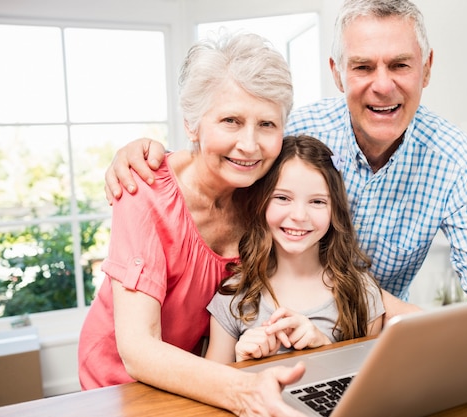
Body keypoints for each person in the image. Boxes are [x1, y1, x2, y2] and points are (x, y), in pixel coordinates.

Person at [103, 0, 467, 389]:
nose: (382, 84)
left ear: (426, 69)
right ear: (337, 71)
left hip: (349, 348)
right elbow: (220, 145)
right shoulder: (292, 140)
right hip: (179, 371)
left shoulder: (453, 160)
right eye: (363, 66)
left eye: (400, 65)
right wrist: (149, 153)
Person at [78, 32, 311, 417]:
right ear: (191, 124)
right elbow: (138, 350)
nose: (250, 144)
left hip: (202, 375)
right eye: (230, 121)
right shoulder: (144, 188)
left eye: (267, 124)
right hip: (117, 384)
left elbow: (329, 258)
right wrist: (242, 389)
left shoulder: (266, 191)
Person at [205, 135, 385, 364]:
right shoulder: (233, 296)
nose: (299, 216)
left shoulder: (361, 292)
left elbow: (369, 388)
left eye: (317, 202)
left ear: (335, 210)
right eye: (282, 198)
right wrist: (241, 365)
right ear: (261, 202)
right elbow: (212, 385)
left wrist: (325, 349)